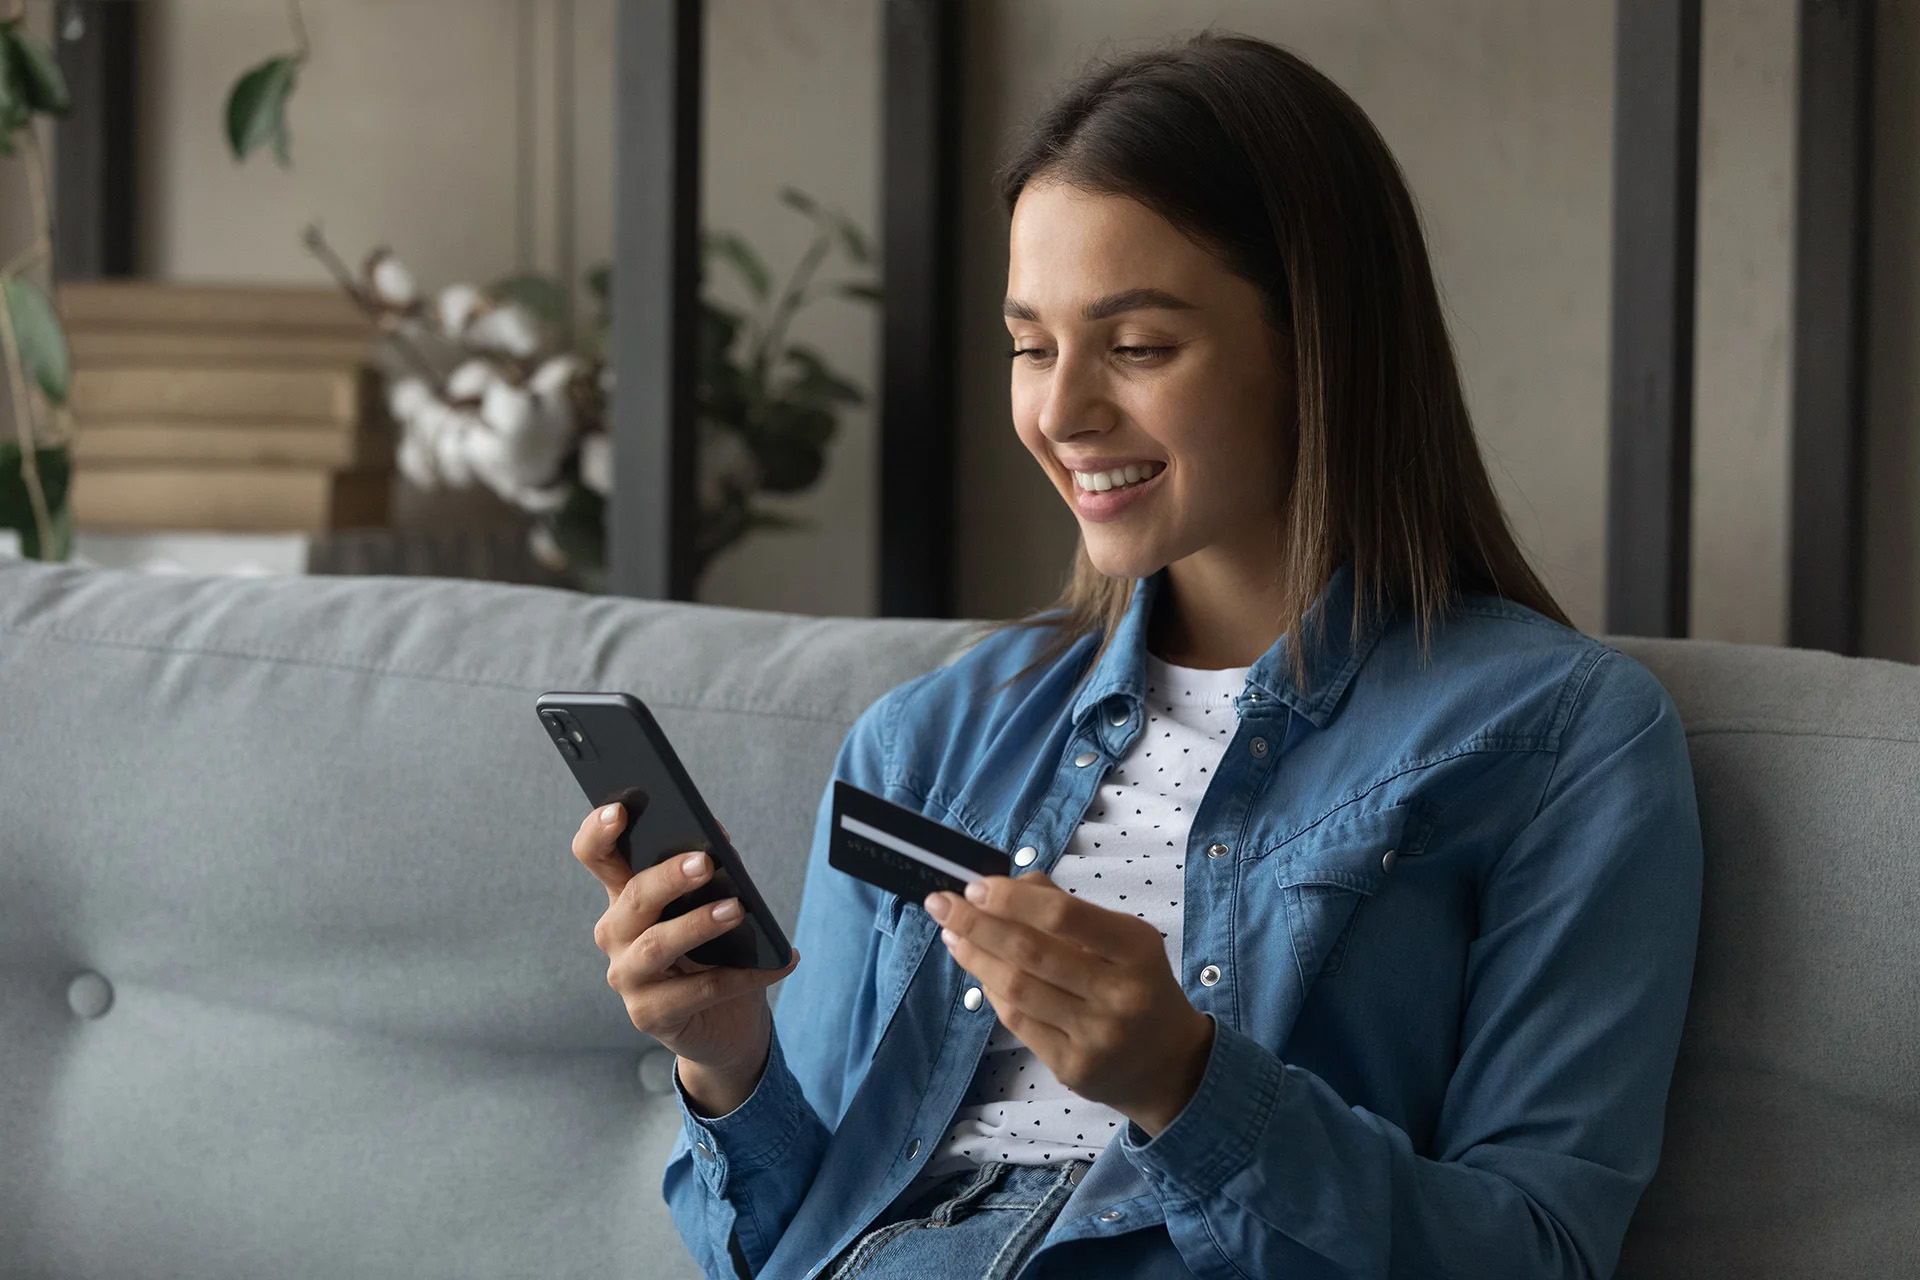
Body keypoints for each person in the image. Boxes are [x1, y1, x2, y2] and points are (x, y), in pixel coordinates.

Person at [570, 29, 1703, 1280]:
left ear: (1316, 346)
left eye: (1139, 346)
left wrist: (1190, 1084)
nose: (1060, 413)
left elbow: (1534, 1255)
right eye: (1030, 344)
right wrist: (727, 1059)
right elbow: (784, 1245)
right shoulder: (924, 741)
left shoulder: (1556, 737)